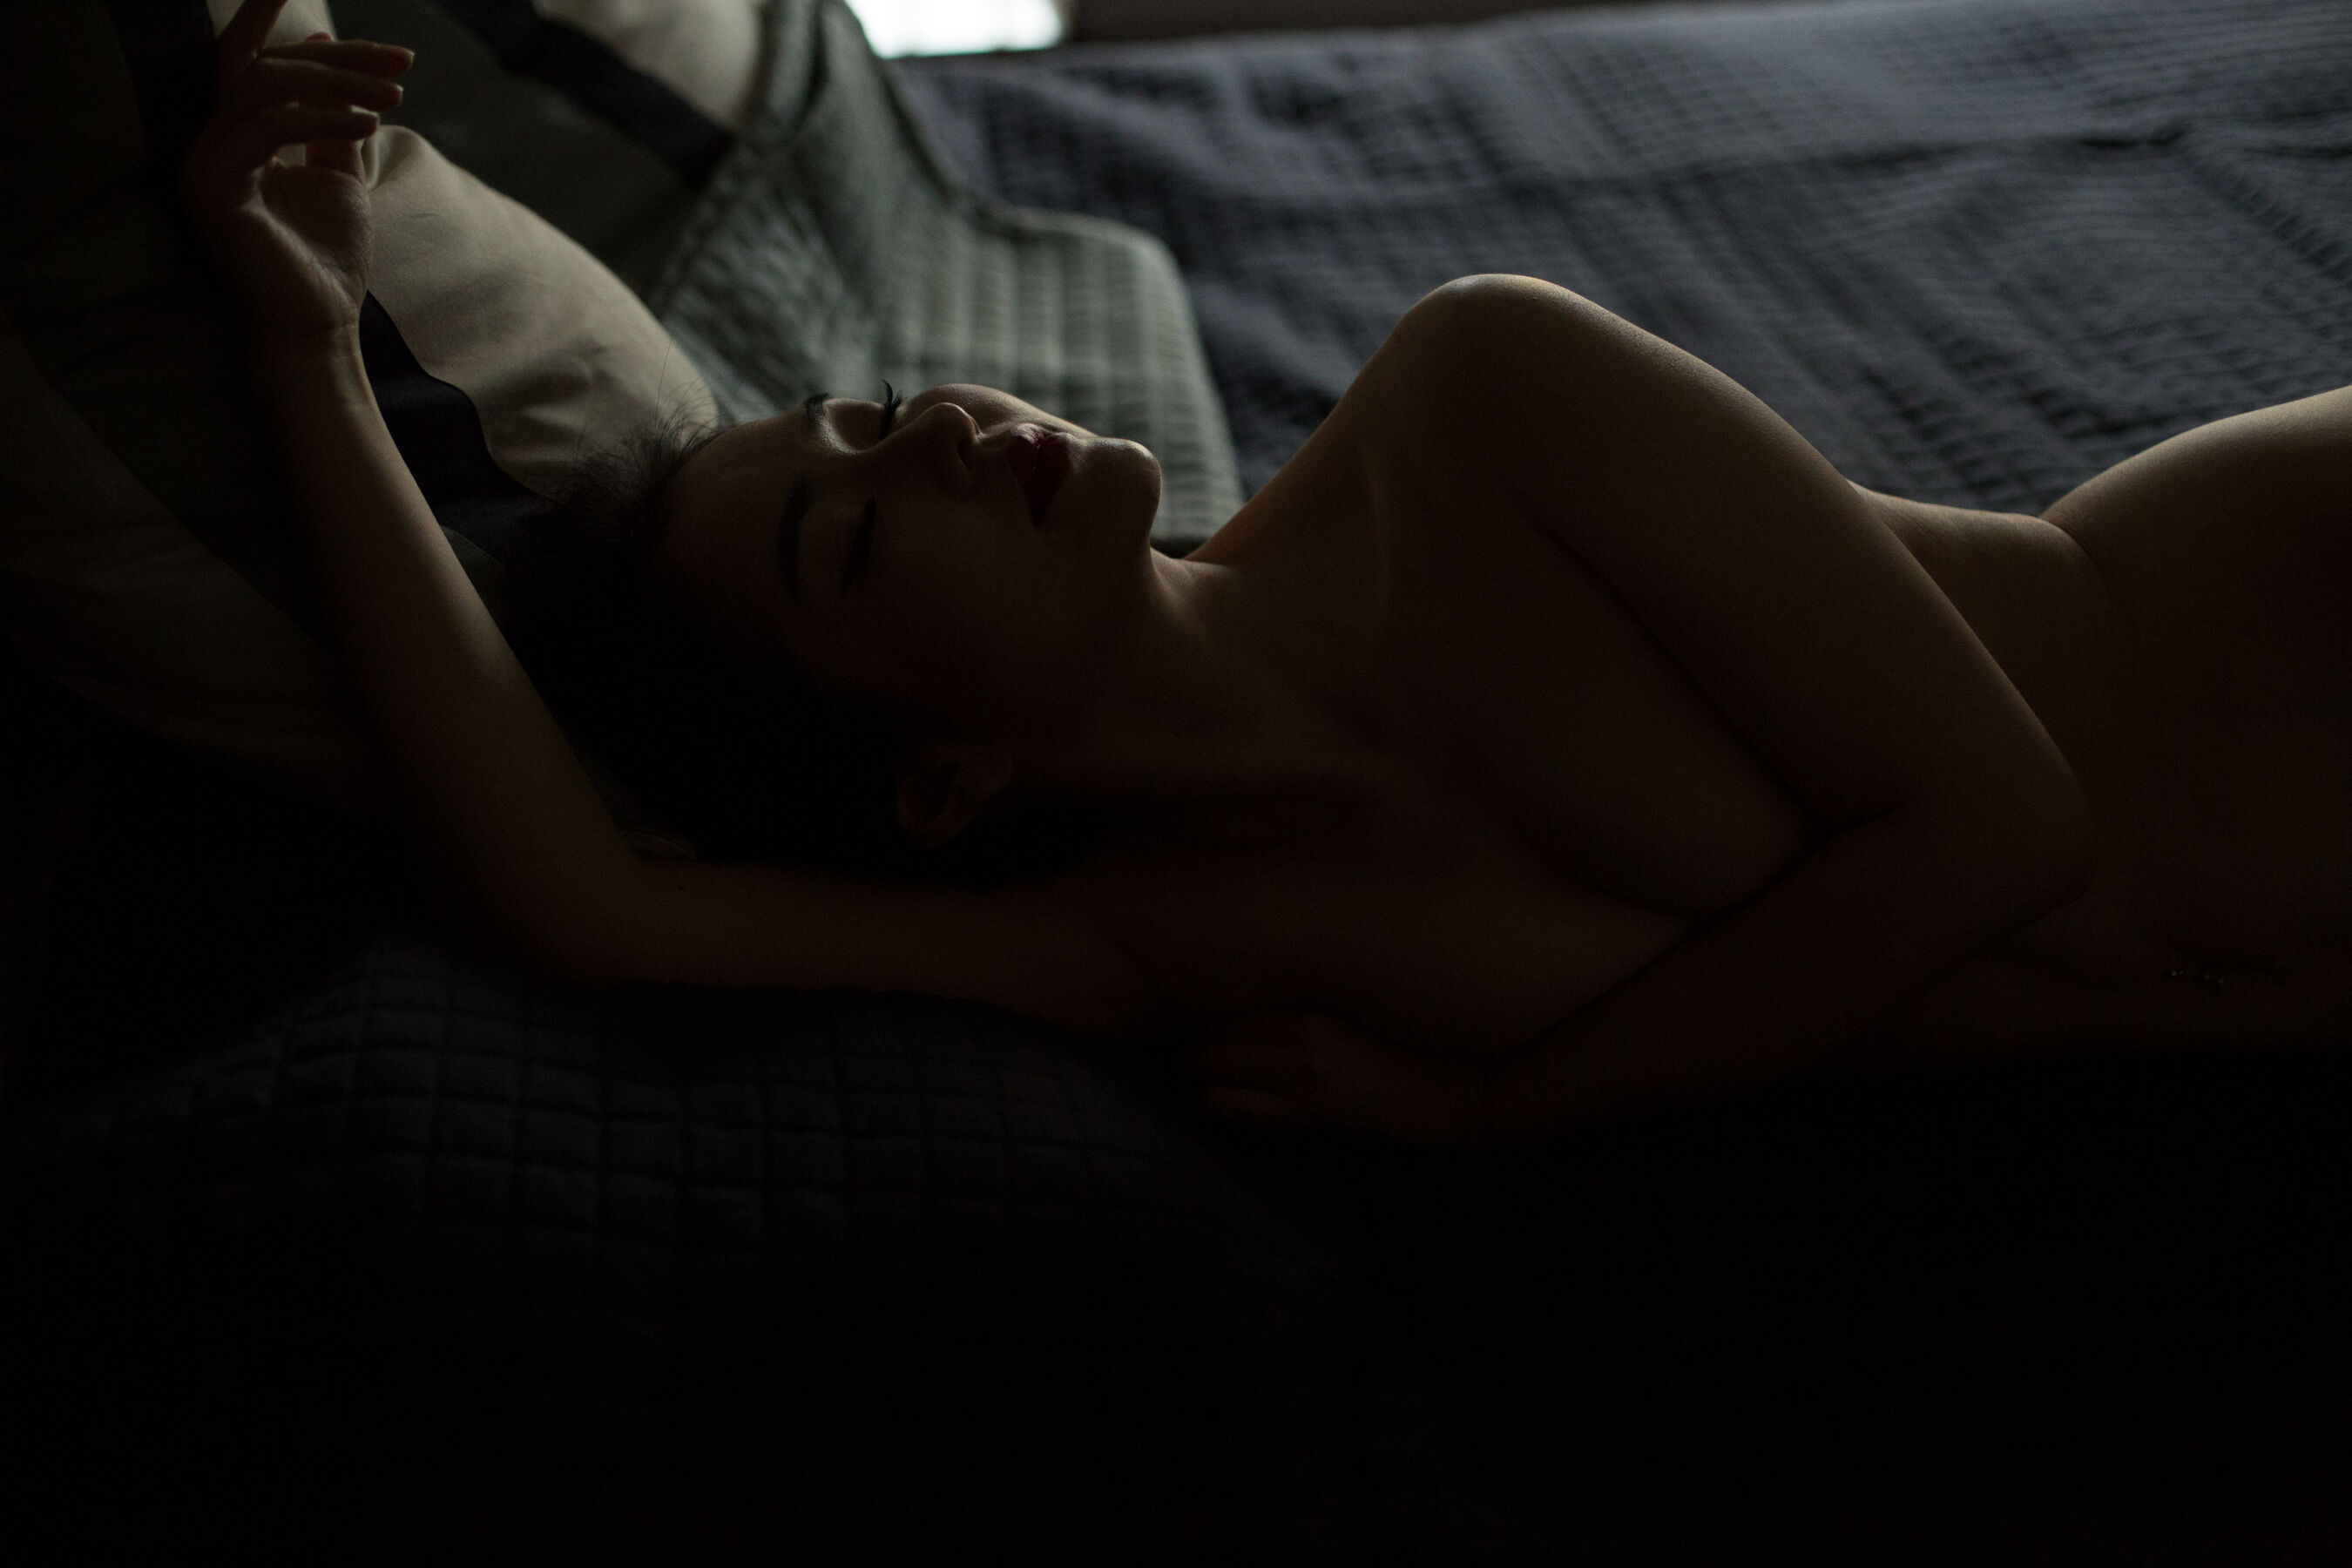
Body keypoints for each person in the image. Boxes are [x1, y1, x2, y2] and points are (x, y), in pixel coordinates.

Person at [179, 0, 2351, 1146]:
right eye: (858, 528)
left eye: (873, 408)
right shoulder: (1164, 941)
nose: (936, 428)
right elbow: (586, 901)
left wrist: (1510, 1108)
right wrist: (306, 354)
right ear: (940, 780)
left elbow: (2004, 824)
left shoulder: (1483, 400)